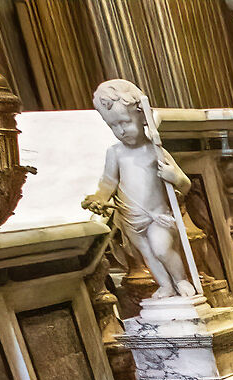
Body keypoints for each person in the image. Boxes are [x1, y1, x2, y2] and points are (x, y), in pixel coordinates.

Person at [84, 79, 199, 301]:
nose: (121, 130)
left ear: (141, 116)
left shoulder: (155, 150)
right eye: (113, 126)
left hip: (157, 216)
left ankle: (181, 280)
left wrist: (173, 177)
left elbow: (185, 185)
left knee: (161, 248)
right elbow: (108, 182)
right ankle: (166, 285)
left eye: (125, 122)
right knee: (147, 254)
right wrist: (99, 197)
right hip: (130, 216)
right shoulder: (115, 153)